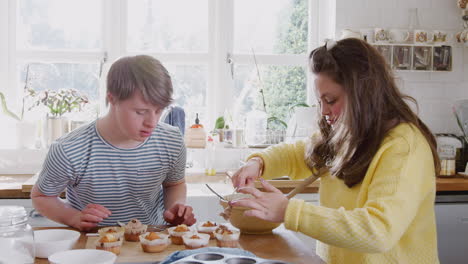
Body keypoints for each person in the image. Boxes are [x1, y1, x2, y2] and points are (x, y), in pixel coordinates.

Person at [230, 38, 440, 264]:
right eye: (321, 101)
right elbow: (300, 153)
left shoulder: (404, 147)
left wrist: (289, 212)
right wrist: (259, 163)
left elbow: (378, 231)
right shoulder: (349, 133)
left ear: (363, 93)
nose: (324, 111)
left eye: (331, 100)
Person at [31, 55, 196, 231]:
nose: (152, 122)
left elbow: (174, 184)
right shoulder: (68, 149)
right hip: (93, 246)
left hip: (152, 241)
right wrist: (73, 218)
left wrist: (175, 208)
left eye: (158, 111)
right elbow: (41, 197)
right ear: (112, 99)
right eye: (141, 112)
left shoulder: (172, 140)